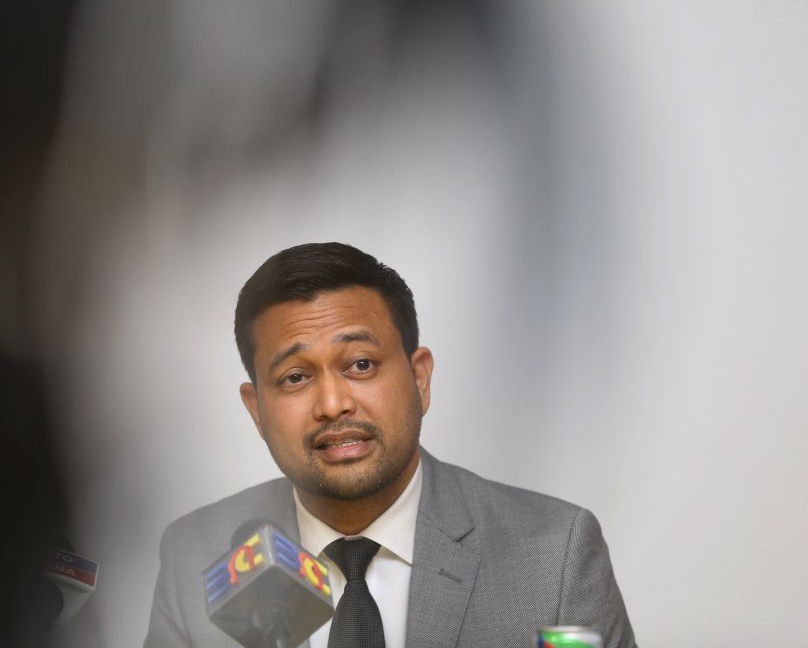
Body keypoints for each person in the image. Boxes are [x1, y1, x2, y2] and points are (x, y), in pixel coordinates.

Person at [145, 242, 636, 647]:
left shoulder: (554, 555)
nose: (333, 404)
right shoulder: (196, 556)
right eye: (295, 377)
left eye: (360, 364)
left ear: (419, 379)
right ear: (256, 410)